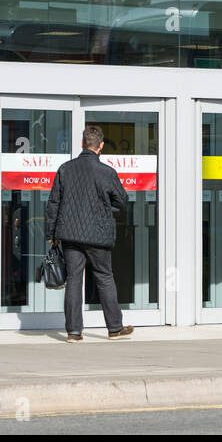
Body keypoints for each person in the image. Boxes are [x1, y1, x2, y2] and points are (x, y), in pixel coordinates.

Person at [44, 126, 133, 342]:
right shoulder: (106, 172)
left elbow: (53, 203)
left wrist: (51, 232)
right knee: (104, 277)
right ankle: (114, 329)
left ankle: (74, 333)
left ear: (83, 144)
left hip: (70, 234)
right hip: (98, 235)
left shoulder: (66, 169)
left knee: (74, 280)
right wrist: (105, 208)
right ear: (100, 146)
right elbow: (122, 201)